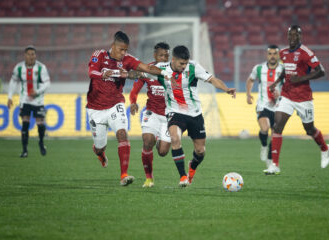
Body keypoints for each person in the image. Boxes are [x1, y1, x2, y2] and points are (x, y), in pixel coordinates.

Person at [87, 31, 173, 186]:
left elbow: (146, 68)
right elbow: (91, 72)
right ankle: (100, 152)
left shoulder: (128, 60)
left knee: (122, 133)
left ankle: (124, 175)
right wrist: (103, 74)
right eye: (121, 50)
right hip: (95, 108)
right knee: (100, 146)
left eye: (126, 50)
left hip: (115, 104)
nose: (124, 53)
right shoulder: (99, 55)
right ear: (113, 46)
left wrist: (165, 73)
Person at [144, 45, 236, 187]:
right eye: (181, 63)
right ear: (173, 60)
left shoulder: (193, 67)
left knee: (200, 151)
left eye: (186, 63)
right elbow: (141, 70)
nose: (184, 66)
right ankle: (183, 177)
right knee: (175, 138)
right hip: (174, 112)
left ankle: (192, 166)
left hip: (195, 114)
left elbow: (212, 79)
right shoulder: (160, 68)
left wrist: (226, 89)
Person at [266, 25, 329, 175]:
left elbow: (321, 71)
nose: (292, 38)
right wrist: (276, 83)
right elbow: (286, 70)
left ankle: (325, 148)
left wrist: (301, 78)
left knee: (309, 129)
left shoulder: (306, 53)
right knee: (277, 126)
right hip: (287, 95)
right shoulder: (283, 52)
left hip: (303, 98)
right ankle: (275, 165)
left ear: (300, 37)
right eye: (290, 35)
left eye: (295, 35)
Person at [129, 42, 171, 188]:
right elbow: (134, 90)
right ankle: (149, 178)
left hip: (168, 116)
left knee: (163, 152)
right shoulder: (147, 70)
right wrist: (133, 102)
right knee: (147, 141)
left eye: (166, 55)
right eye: (161, 55)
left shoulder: (173, 71)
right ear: (155, 56)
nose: (164, 58)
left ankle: (160, 138)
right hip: (151, 112)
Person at [7, 45, 50, 158]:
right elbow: (13, 82)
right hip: (24, 99)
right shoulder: (19, 68)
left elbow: (47, 83)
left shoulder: (41, 67)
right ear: (25, 55)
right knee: (25, 123)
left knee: (40, 124)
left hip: (38, 100)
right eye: (29, 54)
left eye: (33, 54)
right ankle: (24, 150)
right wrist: (10, 97)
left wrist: (37, 91)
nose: (31, 56)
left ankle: (41, 142)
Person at [246, 44, 283, 168]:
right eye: (270, 54)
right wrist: (248, 94)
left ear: (278, 55)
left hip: (279, 106)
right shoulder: (258, 68)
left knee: (275, 134)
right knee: (265, 127)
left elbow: (290, 86)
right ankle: (263, 145)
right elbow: (250, 80)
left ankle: (269, 159)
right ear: (267, 55)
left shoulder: (283, 69)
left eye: (275, 53)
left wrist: (280, 94)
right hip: (263, 105)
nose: (272, 56)